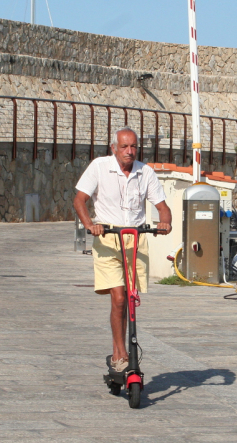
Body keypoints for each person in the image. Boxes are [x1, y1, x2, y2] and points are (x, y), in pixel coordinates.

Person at [73, 126, 172, 373]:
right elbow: (79, 199)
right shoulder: (99, 166)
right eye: (124, 147)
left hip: (135, 238)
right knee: (118, 298)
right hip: (108, 237)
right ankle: (120, 352)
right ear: (114, 148)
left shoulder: (145, 172)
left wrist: (165, 222)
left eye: (133, 147)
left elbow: (162, 206)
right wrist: (91, 225)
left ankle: (125, 350)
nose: (129, 152)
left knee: (129, 298)